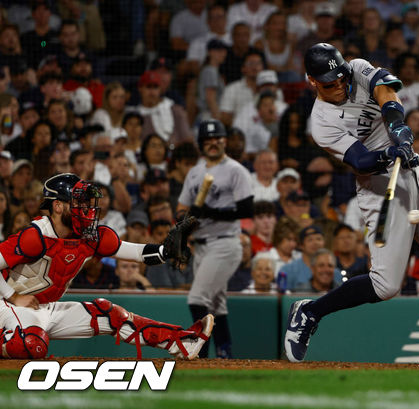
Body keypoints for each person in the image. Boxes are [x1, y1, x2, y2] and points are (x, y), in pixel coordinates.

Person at [284, 43, 419, 366]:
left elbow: (386, 92)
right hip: (380, 187)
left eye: (341, 78)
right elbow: (360, 161)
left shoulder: (356, 69)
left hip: (417, 174)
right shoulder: (320, 123)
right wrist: (388, 153)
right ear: (312, 82)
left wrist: (397, 129)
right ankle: (310, 311)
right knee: (385, 285)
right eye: (330, 82)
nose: (340, 85)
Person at [0, 173, 211, 360]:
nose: (87, 209)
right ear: (57, 206)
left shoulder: (91, 237)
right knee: (32, 345)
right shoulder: (35, 236)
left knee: (111, 314)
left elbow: (137, 252)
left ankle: (182, 342)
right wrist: (13, 296)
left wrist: (167, 251)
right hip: (8, 305)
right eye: (79, 203)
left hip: (43, 307)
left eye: (87, 203)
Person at [176, 120, 253, 359]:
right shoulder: (195, 172)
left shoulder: (235, 170)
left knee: (197, 298)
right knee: (216, 304)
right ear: (201, 144)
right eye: (208, 140)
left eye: (218, 138)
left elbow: (246, 210)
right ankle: (224, 350)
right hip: (200, 245)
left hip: (225, 242)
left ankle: (200, 352)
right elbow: (181, 207)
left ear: (225, 141)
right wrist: (186, 222)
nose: (213, 143)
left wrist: (210, 212)